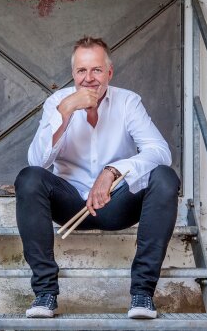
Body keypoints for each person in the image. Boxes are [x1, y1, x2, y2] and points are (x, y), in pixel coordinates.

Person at [15, 36, 180, 319]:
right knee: (29, 178)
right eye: (82, 71)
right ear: (73, 74)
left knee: (165, 177)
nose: (89, 79)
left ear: (109, 73)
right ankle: (45, 294)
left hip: (116, 205)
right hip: (69, 206)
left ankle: (142, 293)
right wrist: (65, 111)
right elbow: (37, 161)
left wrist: (113, 170)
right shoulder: (57, 102)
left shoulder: (128, 102)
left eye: (96, 70)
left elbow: (160, 151)